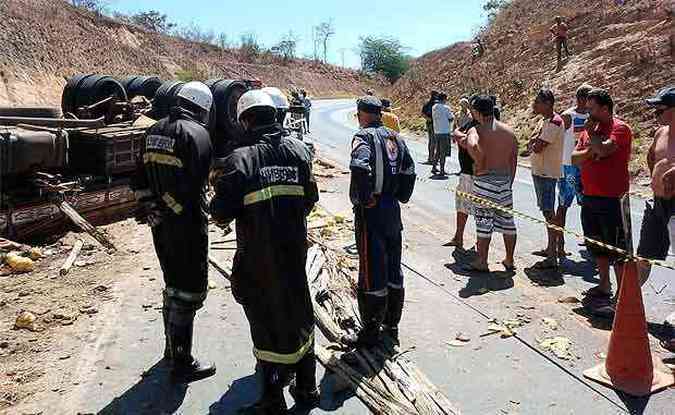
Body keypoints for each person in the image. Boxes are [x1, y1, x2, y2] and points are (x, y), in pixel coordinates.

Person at [210, 90, 320, 413]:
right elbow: (310, 200)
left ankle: (273, 400)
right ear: (276, 116)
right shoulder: (300, 152)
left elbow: (220, 213)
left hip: (258, 259)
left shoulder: (239, 160)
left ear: (245, 120)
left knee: (265, 321)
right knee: (300, 310)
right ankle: (307, 388)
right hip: (294, 252)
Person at [131, 81, 216, 382]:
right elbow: (196, 188)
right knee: (189, 289)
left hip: (160, 224)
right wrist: (178, 208)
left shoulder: (151, 131)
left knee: (172, 283)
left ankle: (170, 349)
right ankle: (182, 362)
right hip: (187, 224)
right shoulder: (197, 134)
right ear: (202, 107)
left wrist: (152, 207)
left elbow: (138, 179)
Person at [344, 96, 416, 348]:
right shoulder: (396, 137)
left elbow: (359, 166)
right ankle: (392, 324)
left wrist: (364, 199)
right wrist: (399, 197)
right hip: (392, 210)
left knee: (372, 267)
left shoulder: (363, 137)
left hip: (372, 211)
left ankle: (371, 329)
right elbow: (409, 170)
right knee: (393, 265)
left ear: (362, 114)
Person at [571, 88, 632, 315]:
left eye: (592, 108)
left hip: (613, 199)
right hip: (590, 196)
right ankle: (604, 285)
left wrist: (595, 144)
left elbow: (605, 151)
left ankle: (622, 296)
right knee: (596, 245)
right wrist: (592, 150)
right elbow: (575, 158)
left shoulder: (619, 128)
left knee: (617, 249)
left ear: (605, 109)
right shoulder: (589, 132)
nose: (588, 112)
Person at [456, 96, 518, 272]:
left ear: (476, 112)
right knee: (508, 222)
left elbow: (472, 145)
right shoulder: (509, 131)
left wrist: (480, 161)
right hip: (504, 182)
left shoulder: (476, 129)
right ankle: (509, 259)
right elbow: (513, 160)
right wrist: (509, 182)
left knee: (483, 222)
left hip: (484, 182)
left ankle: (482, 261)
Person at [636, 86, 675, 351]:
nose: (655, 111)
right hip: (658, 203)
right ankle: (625, 303)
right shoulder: (661, 131)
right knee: (644, 255)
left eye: (660, 107)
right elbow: (652, 157)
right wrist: (657, 179)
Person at [528, 89, 565, 268]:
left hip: (547, 172)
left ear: (548, 103)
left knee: (549, 212)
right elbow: (532, 141)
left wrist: (534, 143)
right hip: (540, 170)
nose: (535, 105)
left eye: (538, 102)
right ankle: (551, 249)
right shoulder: (544, 121)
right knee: (546, 211)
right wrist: (533, 143)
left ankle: (553, 254)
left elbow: (537, 146)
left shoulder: (555, 122)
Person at [557, 85, 592, 256]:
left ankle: (590, 240)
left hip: (586, 167)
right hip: (569, 166)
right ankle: (559, 244)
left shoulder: (594, 116)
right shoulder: (568, 116)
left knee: (587, 205)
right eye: (588, 98)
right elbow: (556, 137)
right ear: (580, 98)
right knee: (563, 204)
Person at [447, 97, 476, 250]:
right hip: (467, 172)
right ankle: (458, 237)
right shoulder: (468, 121)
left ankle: (480, 245)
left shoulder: (477, 125)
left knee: (478, 210)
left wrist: (457, 133)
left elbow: (466, 142)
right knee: (462, 206)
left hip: (472, 173)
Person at [431, 93, 455, 176]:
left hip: (436, 131)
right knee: (443, 152)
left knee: (437, 151)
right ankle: (442, 170)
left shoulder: (434, 107)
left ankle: (434, 167)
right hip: (445, 132)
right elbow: (451, 118)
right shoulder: (446, 108)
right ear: (444, 99)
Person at [422, 90, 440, 163]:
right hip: (435, 124)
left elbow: (422, 113)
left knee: (431, 141)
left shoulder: (427, 103)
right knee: (435, 142)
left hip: (429, 123)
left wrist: (428, 119)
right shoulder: (437, 104)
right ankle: (433, 158)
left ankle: (431, 157)